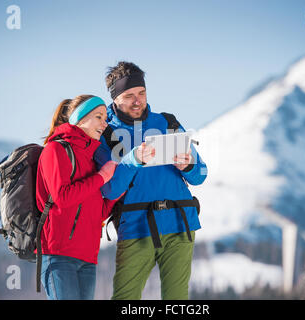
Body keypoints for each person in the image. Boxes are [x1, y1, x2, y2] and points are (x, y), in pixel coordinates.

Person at [94, 61, 208, 300]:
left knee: (177, 300)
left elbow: (201, 174)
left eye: (142, 93)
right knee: (125, 299)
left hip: (180, 224)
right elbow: (110, 189)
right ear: (114, 98)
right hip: (136, 226)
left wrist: (188, 165)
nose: (138, 101)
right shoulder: (105, 133)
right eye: (129, 95)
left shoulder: (168, 123)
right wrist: (133, 159)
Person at [36, 95, 120, 300]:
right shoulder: (55, 149)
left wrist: (118, 190)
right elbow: (62, 197)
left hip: (88, 257)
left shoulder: (91, 159)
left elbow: (96, 212)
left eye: (105, 118)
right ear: (79, 119)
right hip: (58, 254)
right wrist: (101, 177)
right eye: (98, 117)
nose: (104, 123)